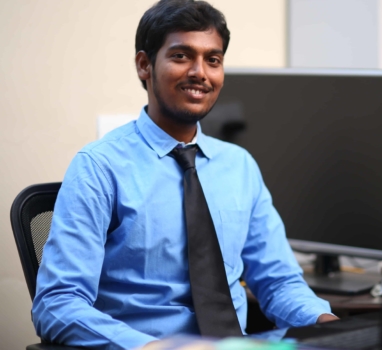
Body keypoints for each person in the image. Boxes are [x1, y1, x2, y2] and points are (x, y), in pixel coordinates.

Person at [32, 1, 336, 349]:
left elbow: (279, 282)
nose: (200, 72)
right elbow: (57, 304)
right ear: (145, 65)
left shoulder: (240, 166)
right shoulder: (99, 167)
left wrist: (329, 325)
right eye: (181, 56)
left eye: (213, 59)